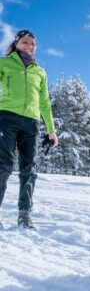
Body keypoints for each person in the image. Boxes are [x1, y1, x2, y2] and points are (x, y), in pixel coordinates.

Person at [0, 29, 59, 230]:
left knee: (29, 169)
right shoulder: (4, 63)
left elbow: (45, 102)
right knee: (3, 166)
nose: (29, 46)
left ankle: (24, 216)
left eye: (32, 43)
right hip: (6, 118)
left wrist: (51, 130)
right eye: (25, 42)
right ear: (16, 44)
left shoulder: (39, 71)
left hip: (31, 123)